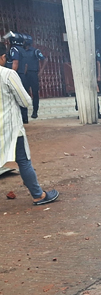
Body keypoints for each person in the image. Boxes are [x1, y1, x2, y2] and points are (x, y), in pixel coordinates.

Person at [0, 42, 59, 205]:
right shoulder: (8, 74)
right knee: (23, 160)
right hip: (9, 126)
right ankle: (38, 195)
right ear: (3, 57)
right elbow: (25, 101)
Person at [4, 32, 27, 124]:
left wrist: (11, 75)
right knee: (21, 94)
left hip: (16, 75)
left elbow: (15, 63)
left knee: (15, 96)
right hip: (22, 75)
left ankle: (18, 118)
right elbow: (25, 65)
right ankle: (24, 117)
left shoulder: (14, 49)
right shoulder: (22, 50)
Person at [20, 35, 45, 119]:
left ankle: (35, 111)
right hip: (25, 74)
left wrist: (41, 71)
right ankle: (24, 114)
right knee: (24, 93)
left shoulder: (35, 51)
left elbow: (44, 59)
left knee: (35, 93)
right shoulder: (22, 51)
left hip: (33, 74)